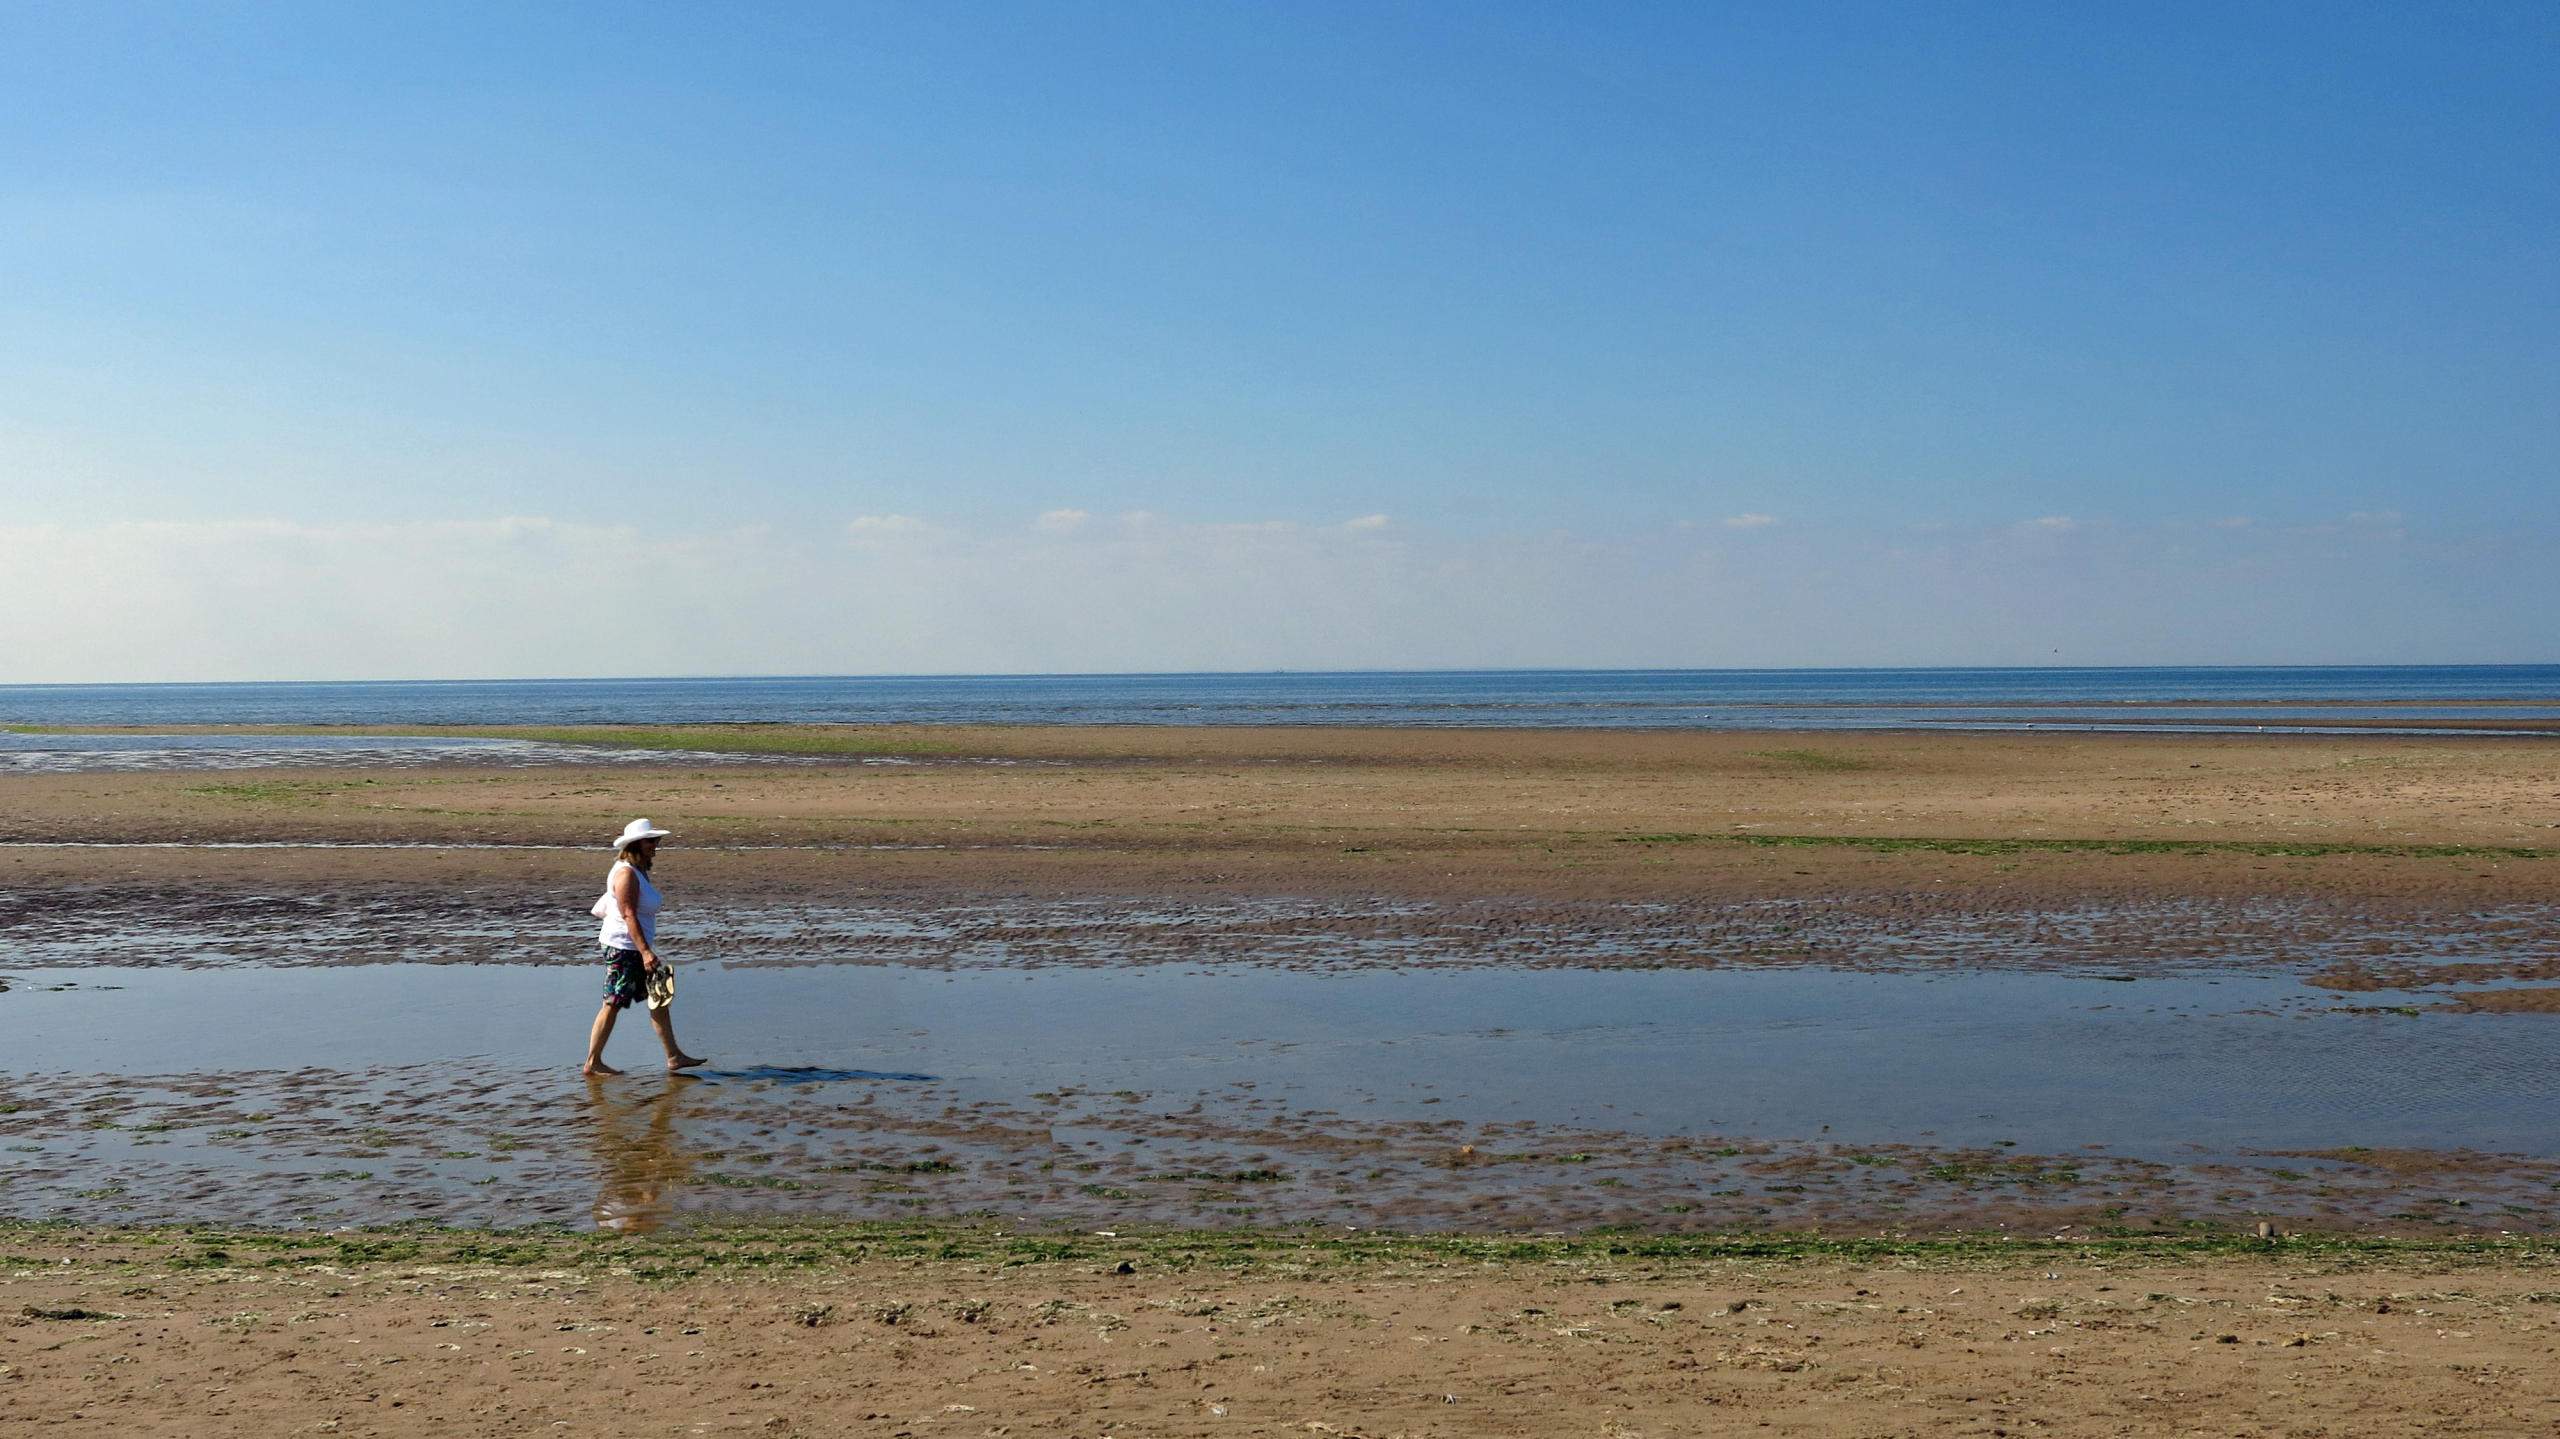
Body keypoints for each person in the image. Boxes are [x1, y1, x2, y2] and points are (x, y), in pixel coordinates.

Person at [583, 818, 708, 1076]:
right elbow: (628, 914)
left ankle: (674, 1056)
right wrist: (645, 952)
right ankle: (593, 1062)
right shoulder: (627, 873)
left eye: (657, 840)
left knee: (659, 997)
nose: (656, 845)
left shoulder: (637, 869)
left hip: (634, 946)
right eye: (651, 841)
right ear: (636, 844)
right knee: (613, 1003)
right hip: (624, 948)